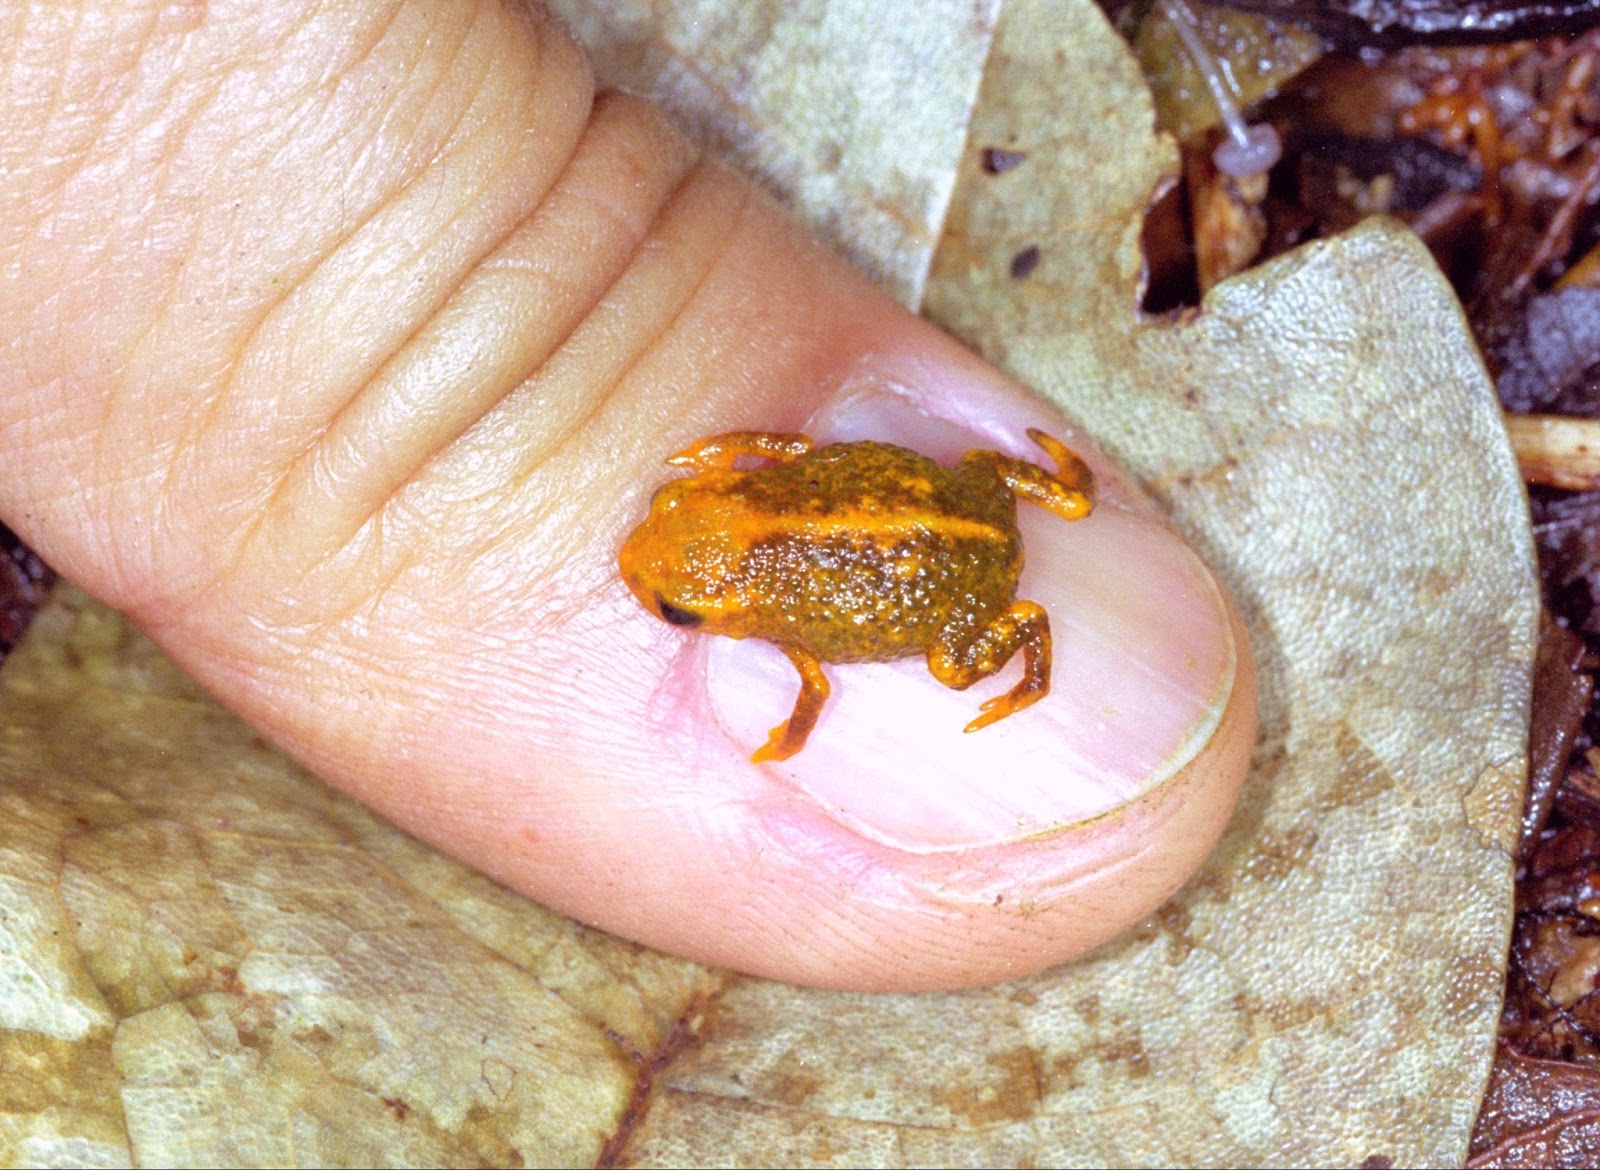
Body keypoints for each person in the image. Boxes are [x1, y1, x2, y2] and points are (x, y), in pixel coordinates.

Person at [0, 0, 1254, 990]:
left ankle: (1031, 632)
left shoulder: (778, 615)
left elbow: (804, 659)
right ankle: (1036, 526)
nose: (651, 565)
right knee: (963, 497)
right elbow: (771, 462)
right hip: (931, 517)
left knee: (989, 597)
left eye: (680, 608)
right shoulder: (758, 519)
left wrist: (806, 696)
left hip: (951, 568)